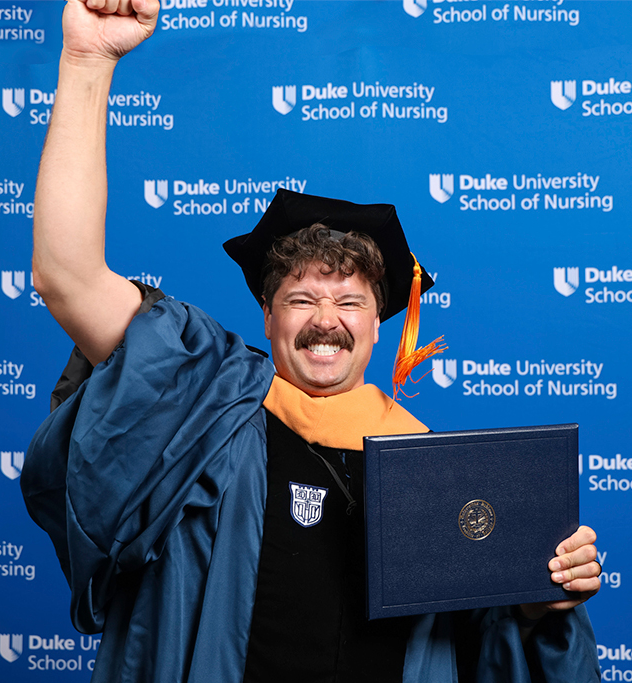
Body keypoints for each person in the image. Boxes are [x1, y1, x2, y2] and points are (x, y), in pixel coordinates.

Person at [21, 1, 602, 681]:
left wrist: (543, 601)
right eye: (301, 298)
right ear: (267, 316)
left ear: (380, 323)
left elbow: (495, 648)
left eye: (350, 300)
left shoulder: (441, 479)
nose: (326, 318)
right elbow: (67, 276)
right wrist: (88, 61)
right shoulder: (201, 407)